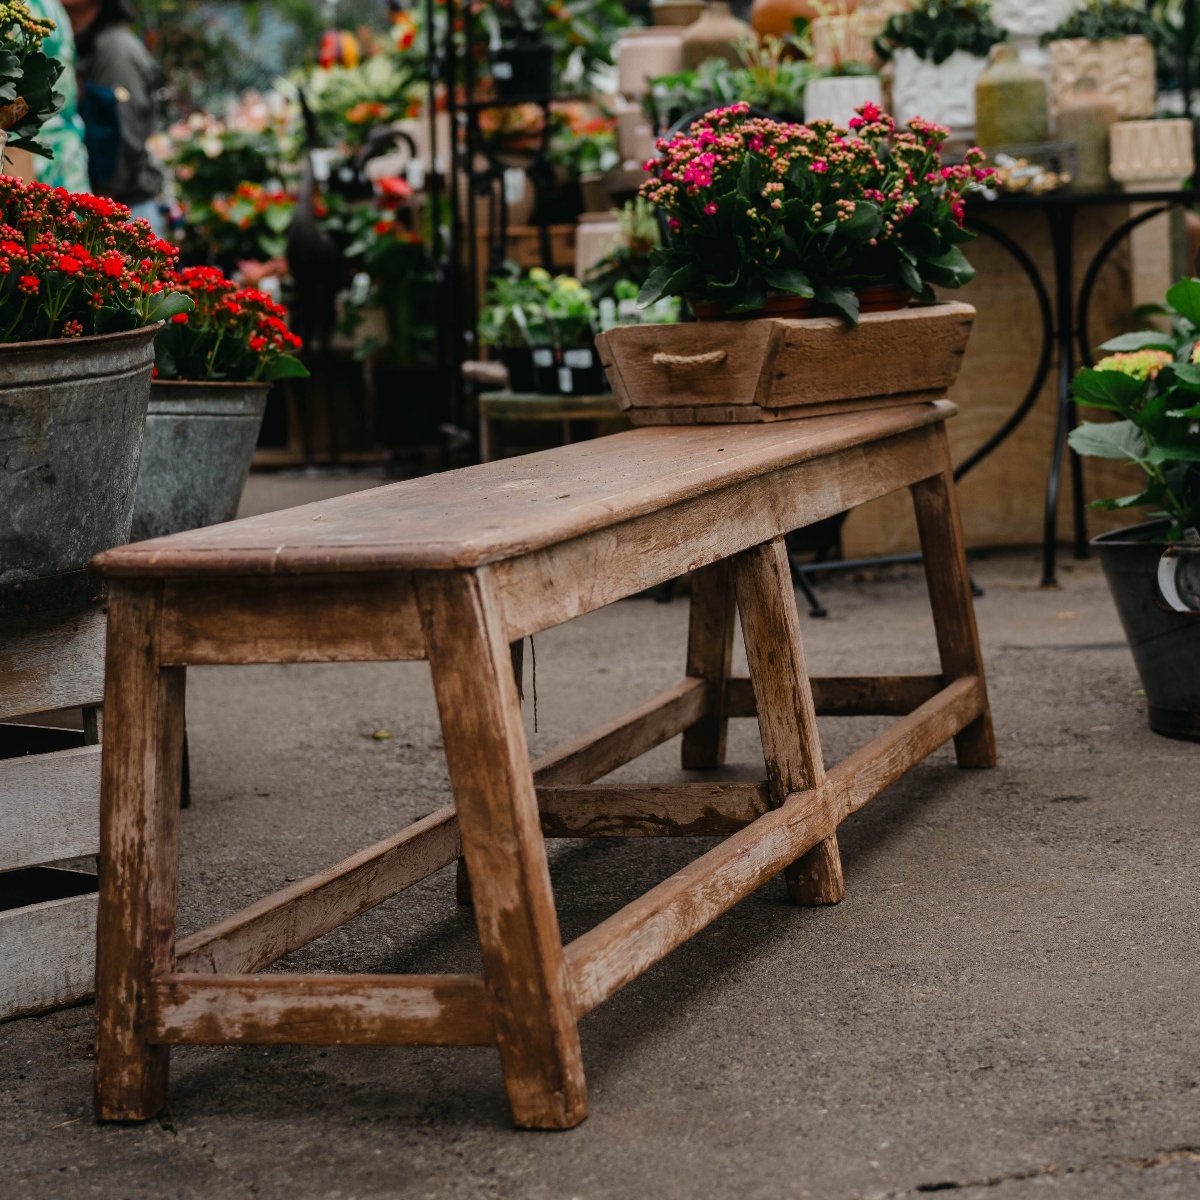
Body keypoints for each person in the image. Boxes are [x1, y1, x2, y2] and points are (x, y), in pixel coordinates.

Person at [63, 0, 164, 224]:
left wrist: (100, 210)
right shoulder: (81, 42)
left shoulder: (115, 48)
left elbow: (123, 135)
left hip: (122, 211)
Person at [24, 0, 91, 192]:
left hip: (39, 171)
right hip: (67, 164)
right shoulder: (53, 7)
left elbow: (11, 118)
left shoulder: (32, 7)